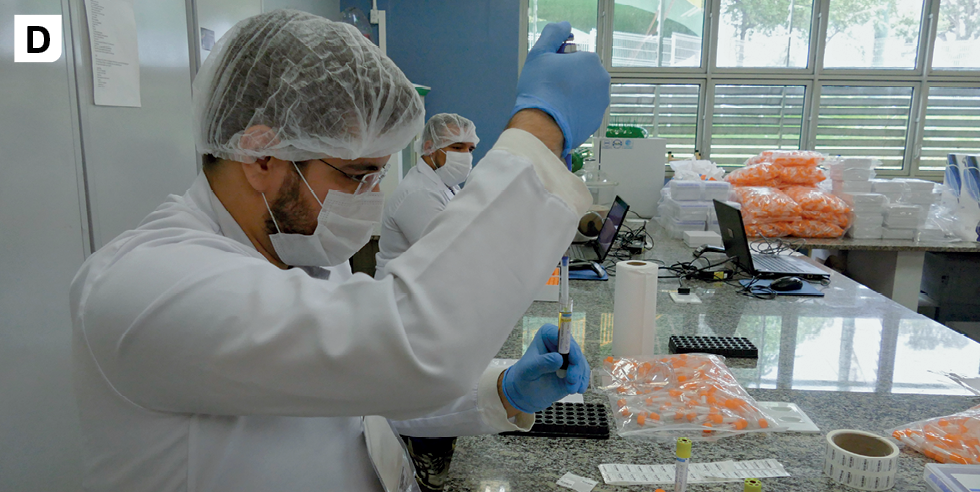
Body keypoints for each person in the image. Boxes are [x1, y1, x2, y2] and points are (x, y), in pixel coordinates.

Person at [69, 9, 609, 492]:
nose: (373, 196)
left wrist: (502, 390)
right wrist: (539, 135)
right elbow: (409, 348)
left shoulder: (299, 249)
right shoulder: (147, 285)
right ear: (261, 155)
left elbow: (362, 393)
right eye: (357, 174)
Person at [375, 113, 479, 278]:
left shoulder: (446, 185)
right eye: (457, 147)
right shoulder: (419, 193)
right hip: (401, 294)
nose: (466, 155)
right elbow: (445, 255)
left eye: (470, 149)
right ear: (430, 147)